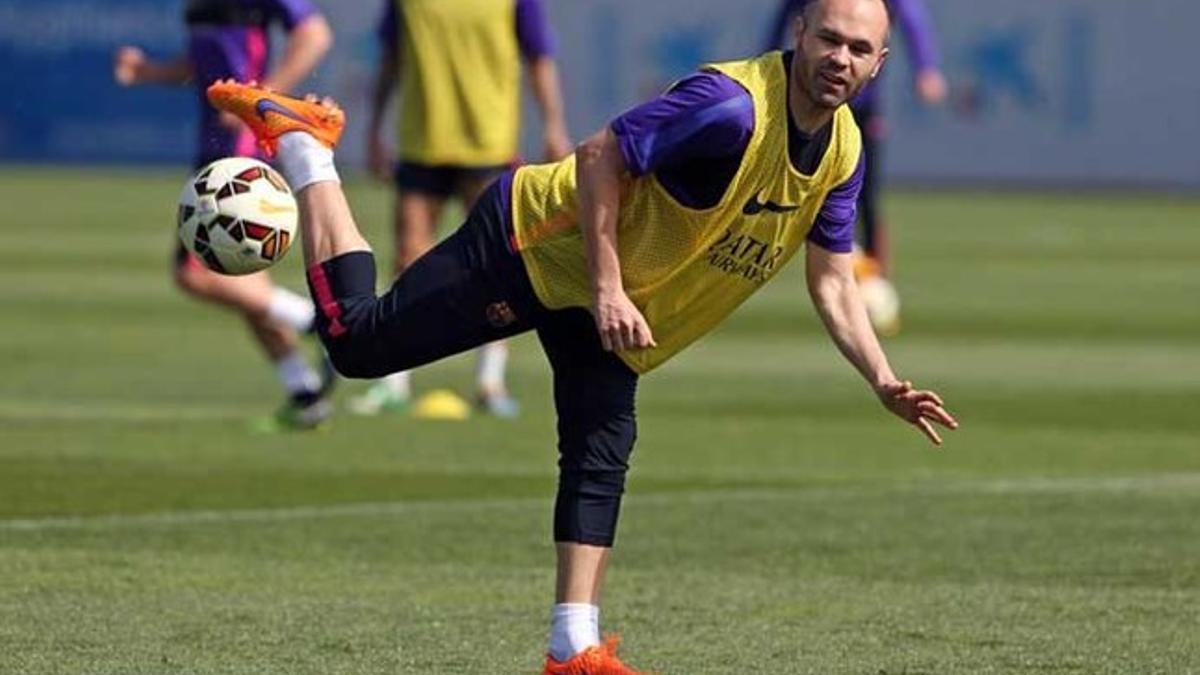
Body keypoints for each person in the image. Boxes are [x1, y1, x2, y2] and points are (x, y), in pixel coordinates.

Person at [208, 0, 958, 669]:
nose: (840, 59)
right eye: (829, 38)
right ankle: (309, 149)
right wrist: (605, 284)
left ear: (880, 63)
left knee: (602, 450)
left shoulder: (844, 151)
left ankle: (574, 646)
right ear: (799, 30)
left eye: (860, 49)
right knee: (358, 344)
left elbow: (831, 281)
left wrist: (881, 377)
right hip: (534, 244)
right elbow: (600, 156)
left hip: (607, 301)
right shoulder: (729, 107)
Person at [114, 0, 336, 429]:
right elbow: (209, 65)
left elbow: (314, 35)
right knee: (241, 277)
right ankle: (305, 393)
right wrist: (150, 73)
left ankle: (319, 324)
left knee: (195, 273)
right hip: (213, 145)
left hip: (242, 147)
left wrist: (261, 102)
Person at [348, 0, 572, 418]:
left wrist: (554, 126)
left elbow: (538, 57)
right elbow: (392, 59)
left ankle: (490, 381)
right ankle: (392, 382)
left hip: (488, 141)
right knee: (407, 260)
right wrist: (375, 127)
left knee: (498, 265)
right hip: (422, 141)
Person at [766, 0, 947, 335]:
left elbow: (912, 19)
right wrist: (767, 65)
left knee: (867, 199)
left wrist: (927, 68)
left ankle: (876, 285)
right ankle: (836, 281)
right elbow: (785, 17)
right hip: (804, 98)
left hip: (861, 107)